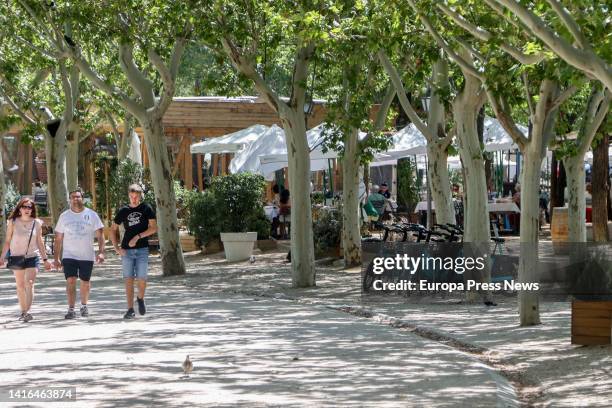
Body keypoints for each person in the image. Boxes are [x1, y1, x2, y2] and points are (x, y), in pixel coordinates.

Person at [54, 188, 105, 319]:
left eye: (78, 197)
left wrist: (101, 252)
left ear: (83, 198)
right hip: (69, 255)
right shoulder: (64, 216)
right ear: (70, 200)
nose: (76, 199)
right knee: (70, 280)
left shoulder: (92, 215)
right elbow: (58, 238)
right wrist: (56, 258)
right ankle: (71, 309)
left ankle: (84, 305)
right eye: (73, 197)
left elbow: (100, 235)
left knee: (85, 281)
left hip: (86, 255)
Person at [0, 198, 52, 322]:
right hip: (16, 257)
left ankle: (27, 311)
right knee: (20, 285)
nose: (27, 209)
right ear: (20, 208)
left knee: (29, 282)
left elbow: (39, 242)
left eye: (30, 207)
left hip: (32, 257)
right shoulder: (12, 222)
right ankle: (23, 311)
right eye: (25, 207)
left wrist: (45, 260)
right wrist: (2, 257)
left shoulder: (37, 223)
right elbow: (7, 241)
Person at [111, 184, 157, 319]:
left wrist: (138, 237)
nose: (134, 199)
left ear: (140, 196)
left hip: (142, 249)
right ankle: (130, 309)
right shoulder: (123, 210)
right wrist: (116, 248)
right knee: (129, 280)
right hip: (127, 251)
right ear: (128, 196)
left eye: (136, 197)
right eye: (131, 197)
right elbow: (112, 229)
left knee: (142, 279)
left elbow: (153, 228)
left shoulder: (146, 208)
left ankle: (140, 298)